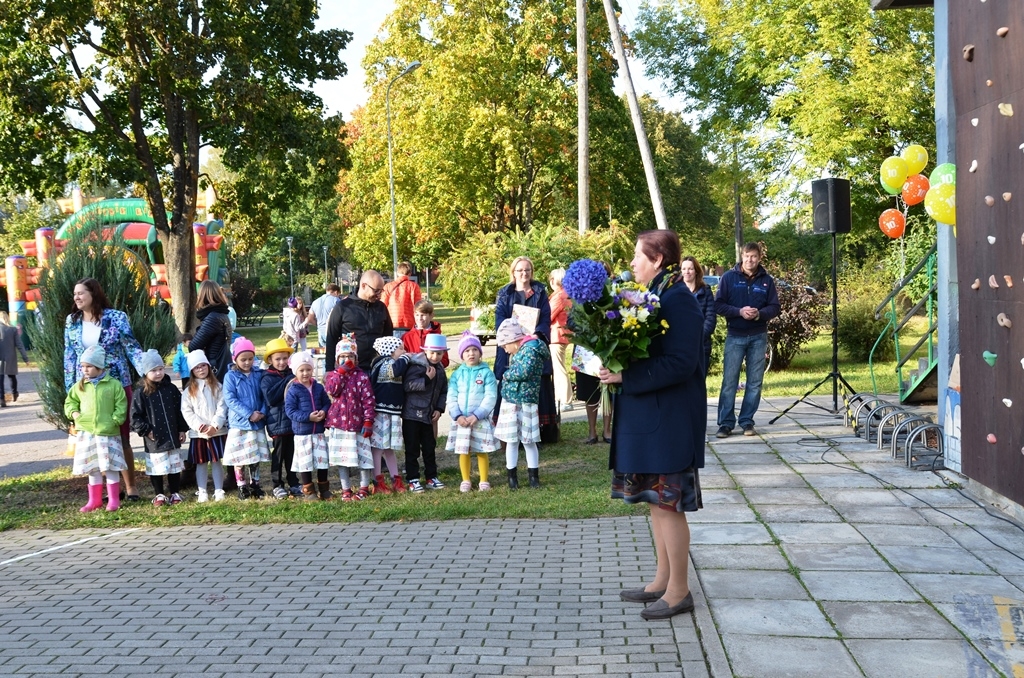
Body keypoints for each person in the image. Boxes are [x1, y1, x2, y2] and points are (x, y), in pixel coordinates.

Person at [598, 230, 706, 621]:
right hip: (651, 420)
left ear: (658, 258)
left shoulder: (678, 299)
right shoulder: (658, 295)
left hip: (669, 422)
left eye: (637, 257)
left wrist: (626, 376)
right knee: (655, 504)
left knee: (667, 506)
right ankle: (663, 580)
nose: (632, 263)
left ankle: (679, 591)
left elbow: (682, 363)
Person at [63, 278, 145, 501]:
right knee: (95, 438)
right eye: (75, 294)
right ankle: (108, 490)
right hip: (86, 388)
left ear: (94, 294)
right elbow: (69, 356)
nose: (77, 298)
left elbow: (131, 346)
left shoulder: (116, 317)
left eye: (81, 293)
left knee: (121, 436)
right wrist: (72, 389)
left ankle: (131, 488)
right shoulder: (72, 321)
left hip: (116, 384)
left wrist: (147, 369)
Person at [714, 243, 780, 438]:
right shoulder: (728, 278)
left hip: (758, 336)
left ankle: (747, 421)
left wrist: (759, 314)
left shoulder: (767, 280)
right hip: (735, 335)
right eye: (746, 256)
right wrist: (739, 312)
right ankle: (725, 423)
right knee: (729, 381)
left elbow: (775, 306)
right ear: (741, 256)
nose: (750, 260)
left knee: (755, 382)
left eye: (753, 256)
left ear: (759, 258)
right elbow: (718, 304)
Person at [493, 257, 558, 442]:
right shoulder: (505, 293)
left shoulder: (540, 291)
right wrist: (512, 336)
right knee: (512, 379)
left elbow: (546, 317)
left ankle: (542, 432)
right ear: (513, 272)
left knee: (539, 382)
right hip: (512, 345)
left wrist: (537, 334)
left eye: (527, 270)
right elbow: (500, 319)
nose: (524, 273)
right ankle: (509, 432)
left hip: (533, 344)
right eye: (520, 270)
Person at [65, 345, 128, 512]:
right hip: (87, 433)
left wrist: (116, 419)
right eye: (83, 366)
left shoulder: (113, 385)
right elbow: (69, 402)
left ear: (100, 367)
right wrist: (74, 413)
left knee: (110, 467)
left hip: (108, 432)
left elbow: (121, 404)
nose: (85, 370)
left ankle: (113, 500)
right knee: (92, 467)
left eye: (89, 366)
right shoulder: (79, 386)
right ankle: (94, 500)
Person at [493, 317, 549, 489]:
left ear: (513, 340)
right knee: (512, 441)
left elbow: (524, 371)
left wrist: (506, 375)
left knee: (528, 440)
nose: (505, 350)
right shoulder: (521, 351)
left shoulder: (531, 350)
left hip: (525, 402)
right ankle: (512, 477)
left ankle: (534, 477)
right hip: (512, 401)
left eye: (505, 346)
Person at [130, 349, 189, 506]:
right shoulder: (141, 392)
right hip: (154, 438)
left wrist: (182, 429)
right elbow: (135, 416)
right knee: (157, 468)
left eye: (160, 369)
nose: (158, 373)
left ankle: (175, 492)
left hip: (172, 436)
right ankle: (159, 494)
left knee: (174, 467)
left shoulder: (171, 389)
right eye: (153, 370)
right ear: (146, 372)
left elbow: (180, 410)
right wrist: (146, 430)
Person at [325, 335, 376, 501]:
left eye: (351, 356)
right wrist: (341, 373)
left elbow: (368, 400)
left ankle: (363, 487)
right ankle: (345, 488)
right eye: (343, 357)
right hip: (339, 424)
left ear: (356, 358)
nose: (347, 360)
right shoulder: (333, 375)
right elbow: (332, 390)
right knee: (342, 459)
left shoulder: (361, 377)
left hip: (358, 424)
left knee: (363, 458)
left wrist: (368, 420)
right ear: (337, 359)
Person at [446, 331, 499, 492]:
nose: (471, 353)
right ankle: (466, 480)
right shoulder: (457, 374)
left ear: (480, 353)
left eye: (475, 350)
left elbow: (491, 396)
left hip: (479, 420)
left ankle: (484, 480)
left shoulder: (486, 373)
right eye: (467, 351)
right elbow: (452, 396)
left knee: (481, 450)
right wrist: (457, 415)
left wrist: (478, 415)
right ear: (462, 355)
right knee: (464, 450)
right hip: (461, 420)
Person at [223, 337, 269, 499]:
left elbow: (265, 395)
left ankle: (255, 483)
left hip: (257, 423)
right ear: (235, 358)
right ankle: (241, 485)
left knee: (254, 456)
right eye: (243, 359)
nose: (247, 363)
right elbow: (230, 399)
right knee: (240, 456)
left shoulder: (259, 374)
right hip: (240, 423)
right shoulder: (231, 376)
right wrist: (249, 414)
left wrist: (262, 412)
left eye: (250, 359)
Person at [402, 333, 449, 493]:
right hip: (412, 415)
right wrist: (427, 379)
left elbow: (443, 391)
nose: (435, 356)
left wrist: (439, 409)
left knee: (430, 447)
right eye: (432, 353)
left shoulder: (441, 370)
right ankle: (413, 478)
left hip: (429, 416)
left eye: (439, 353)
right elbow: (408, 386)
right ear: (425, 351)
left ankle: (431, 476)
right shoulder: (416, 366)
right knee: (412, 449)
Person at [180, 350, 228, 502]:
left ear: (208, 366)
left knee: (216, 461)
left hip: (216, 431)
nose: (201, 369)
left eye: (203, 366)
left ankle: (219, 490)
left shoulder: (218, 387)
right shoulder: (188, 391)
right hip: (199, 434)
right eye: (197, 367)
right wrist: (200, 426)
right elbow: (187, 411)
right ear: (192, 371)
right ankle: (202, 491)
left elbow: (222, 406)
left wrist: (215, 425)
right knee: (200, 462)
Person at [368, 336, 413, 495]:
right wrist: (406, 357)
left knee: (389, 447)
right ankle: (377, 481)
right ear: (390, 350)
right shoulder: (384, 363)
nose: (404, 351)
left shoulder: (391, 362)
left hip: (392, 413)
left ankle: (395, 479)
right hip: (381, 412)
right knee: (378, 447)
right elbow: (395, 371)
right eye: (401, 349)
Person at [284, 350, 331, 501]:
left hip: (318, 431)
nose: (305, 373)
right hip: (302, 433)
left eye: (308, 369)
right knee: (306, 463)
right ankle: (309, 491)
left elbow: (326, 402)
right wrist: (308, 417)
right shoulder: (293, 390)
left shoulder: (318, 387)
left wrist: (324, 412)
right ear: (295, 372)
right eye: (301, 370)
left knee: (322, 461)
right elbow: (290, 411)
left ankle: (324, 489)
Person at [325, 270, 394, 373]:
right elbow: (331, 339)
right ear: (363, 285)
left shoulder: (381, 307)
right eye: (376, 291)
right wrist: (329, 370)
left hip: (377, 369)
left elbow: (389, 337)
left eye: (381, 291)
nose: (379, 295)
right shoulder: (343, 307)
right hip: (350, 371)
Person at [261, 338, 301, 499]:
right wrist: (287, 380)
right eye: (278, 359)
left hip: (292, 422)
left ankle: (293, 482)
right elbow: (271, 398)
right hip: (276, 423)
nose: (282, 362)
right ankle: (277, 484)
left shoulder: (292, 374)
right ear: (270, 360)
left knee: (292, 455)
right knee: (278, 455)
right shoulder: (267, 377)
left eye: (285, 358)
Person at [190, 280, 234, 383]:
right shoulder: (222, 314)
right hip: (222, 364)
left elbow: (193, 346)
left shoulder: (212, 318)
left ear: (202, 296)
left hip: (214, 367)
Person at [682, 256, 716, 377]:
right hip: (681, 347)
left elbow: (711, 318)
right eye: (684, 269)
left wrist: (698, 337)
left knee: (699, 384)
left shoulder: (706, 291)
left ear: (696, 270)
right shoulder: (676, 292)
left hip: (702, 346)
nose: (687, 272)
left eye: (690, 269)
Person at [572, 345, 612, 444]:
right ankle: (592, 431)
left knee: (609, 389)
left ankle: (607, 430)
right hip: (586, 352)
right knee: (589, 392)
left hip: (608, 347)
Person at [548, 268, 574, 411]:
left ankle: (565, 400)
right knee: (560, 367)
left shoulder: (558, 296)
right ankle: (562, 398)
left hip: (556, 335)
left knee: (559, 368)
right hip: (563, 334)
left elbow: (548, 315)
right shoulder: (567, 294)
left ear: (553, 281)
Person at [401, 299, 449, 368]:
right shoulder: (406, 337)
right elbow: (400, 358)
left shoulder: (437, 336)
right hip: (413, 375)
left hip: (434, 373)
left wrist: (433, 362)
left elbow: (445, 360)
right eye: (417, 315)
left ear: (431, 315)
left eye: (423, 315)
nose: (419, 318)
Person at [382, 261, 422, 334]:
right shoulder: (414, 286)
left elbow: (382, 306)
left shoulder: (388, 286)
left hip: (392, 324)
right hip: (409, 324)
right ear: (410, 273)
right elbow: (418, 306)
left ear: (397, 272)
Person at [0, 311, 29, 406]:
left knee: (0, 378)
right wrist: (25, 358)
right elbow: (19, 344)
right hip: (11, 357)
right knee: (12, 376)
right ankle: (14, 393)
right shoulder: (13, 329)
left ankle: (1, 399)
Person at [307, 283, 342, 348]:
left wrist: (318, 324)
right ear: (336, 292)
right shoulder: (336, 300)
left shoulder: (315, 302)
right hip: (332, 332)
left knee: (322, 354)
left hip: (320, 331)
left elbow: (310, 318)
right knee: (334, 354)